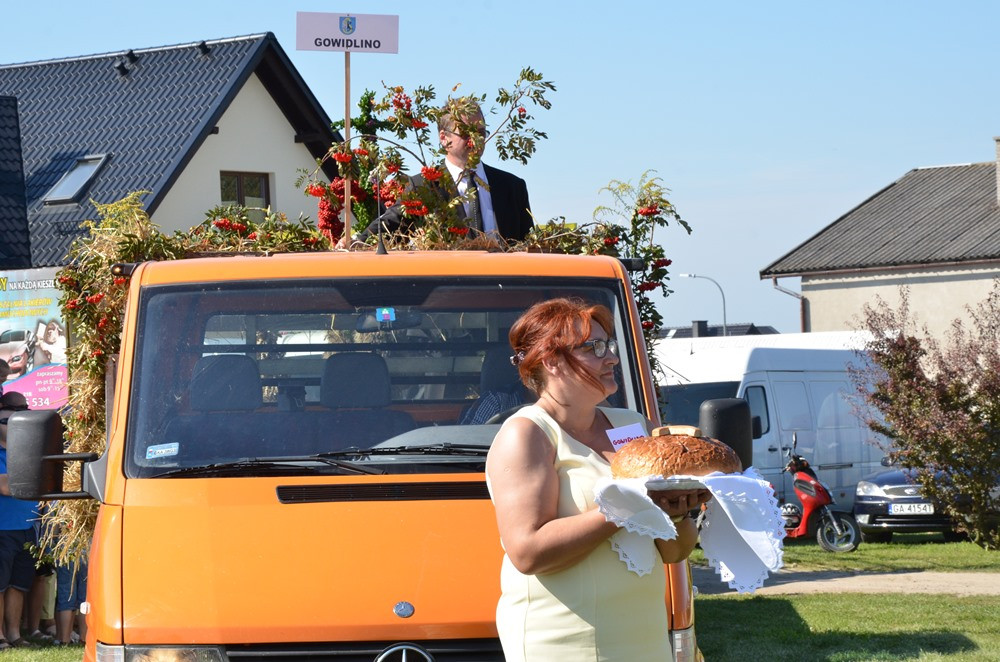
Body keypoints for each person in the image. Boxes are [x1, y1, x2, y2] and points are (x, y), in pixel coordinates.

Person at [485, 298, 712, 661]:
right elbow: (527, 552)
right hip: (563, 641)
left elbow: (674, 551)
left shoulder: (632, 426)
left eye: (609, 345)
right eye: (595, 348)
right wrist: (626, 506)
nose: (612, 358)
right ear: (552, 360)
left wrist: (679, 511)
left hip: (643, 638)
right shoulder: (527, 434)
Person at [346, 97, 534, 246]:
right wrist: (357, 243)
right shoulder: (424, 186)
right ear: (444, 138)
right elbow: (390, 226)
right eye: (466, 133)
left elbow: (529, 246)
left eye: (480, 132)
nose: (475, 140)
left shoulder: (512, 187)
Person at [0, 391, 39, 650]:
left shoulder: (25, 451)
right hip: (2, 529)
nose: (11, 425)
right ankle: (0, 637)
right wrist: (31, 478)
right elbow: (5, 487)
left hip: (27, 527)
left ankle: (14, 635)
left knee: (18, 585)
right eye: (5, 421)